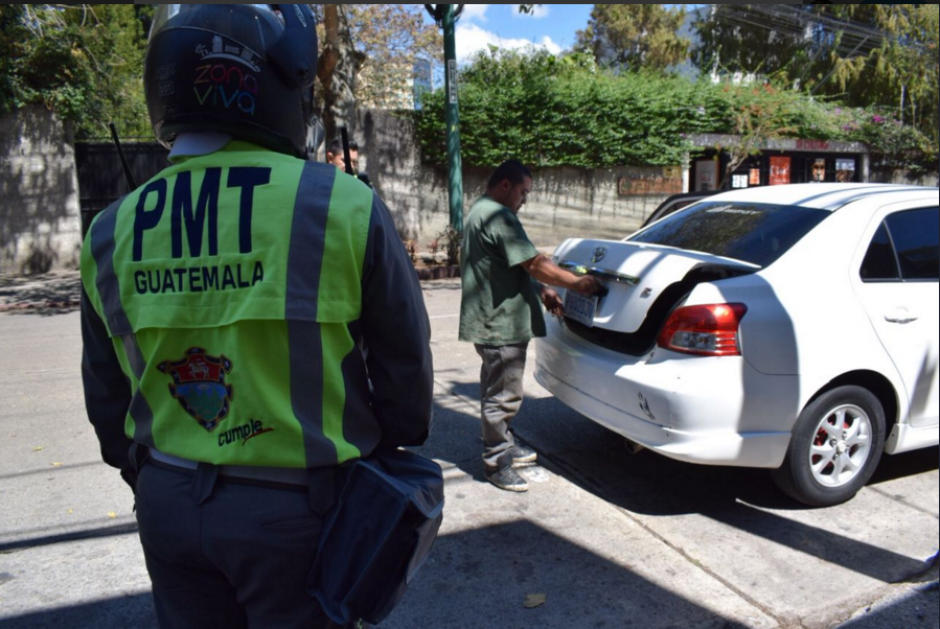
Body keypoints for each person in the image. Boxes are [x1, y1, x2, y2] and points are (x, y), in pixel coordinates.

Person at [79, 5, 433, 628]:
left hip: (167, 502)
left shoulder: (110, 230)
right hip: (298, 512)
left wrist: (148, 475)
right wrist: (391, 445)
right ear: (274, 82)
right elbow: (405, 368)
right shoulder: (340, 205)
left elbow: (106, 393)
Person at [459, 160, 602, 492]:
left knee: (494, 389)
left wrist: (542, 290)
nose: (525, 199)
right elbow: (534, 263)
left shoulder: (481, 210)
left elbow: (507, 266)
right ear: (506, 186)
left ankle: (503, 444)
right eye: (523, 192)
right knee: (504, 395)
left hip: (491, 319)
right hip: (500, 324)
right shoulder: (498, 216)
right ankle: (497, 462)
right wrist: (575, 282)